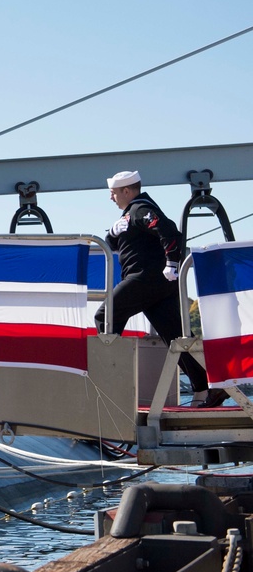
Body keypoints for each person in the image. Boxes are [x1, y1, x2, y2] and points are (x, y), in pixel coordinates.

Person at [96, 170, 227, 409]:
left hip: (145, 278)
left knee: (105, 316)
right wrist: (112, 232)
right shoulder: (132, 214)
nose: (110, 198)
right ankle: (206, 389)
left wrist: (172, 263)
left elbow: (168, 231)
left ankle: (108, 386)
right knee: (176, 337)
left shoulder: (140, 209)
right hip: (158, 285)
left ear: (126, 191)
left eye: (113, 193)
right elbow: (116, 242)